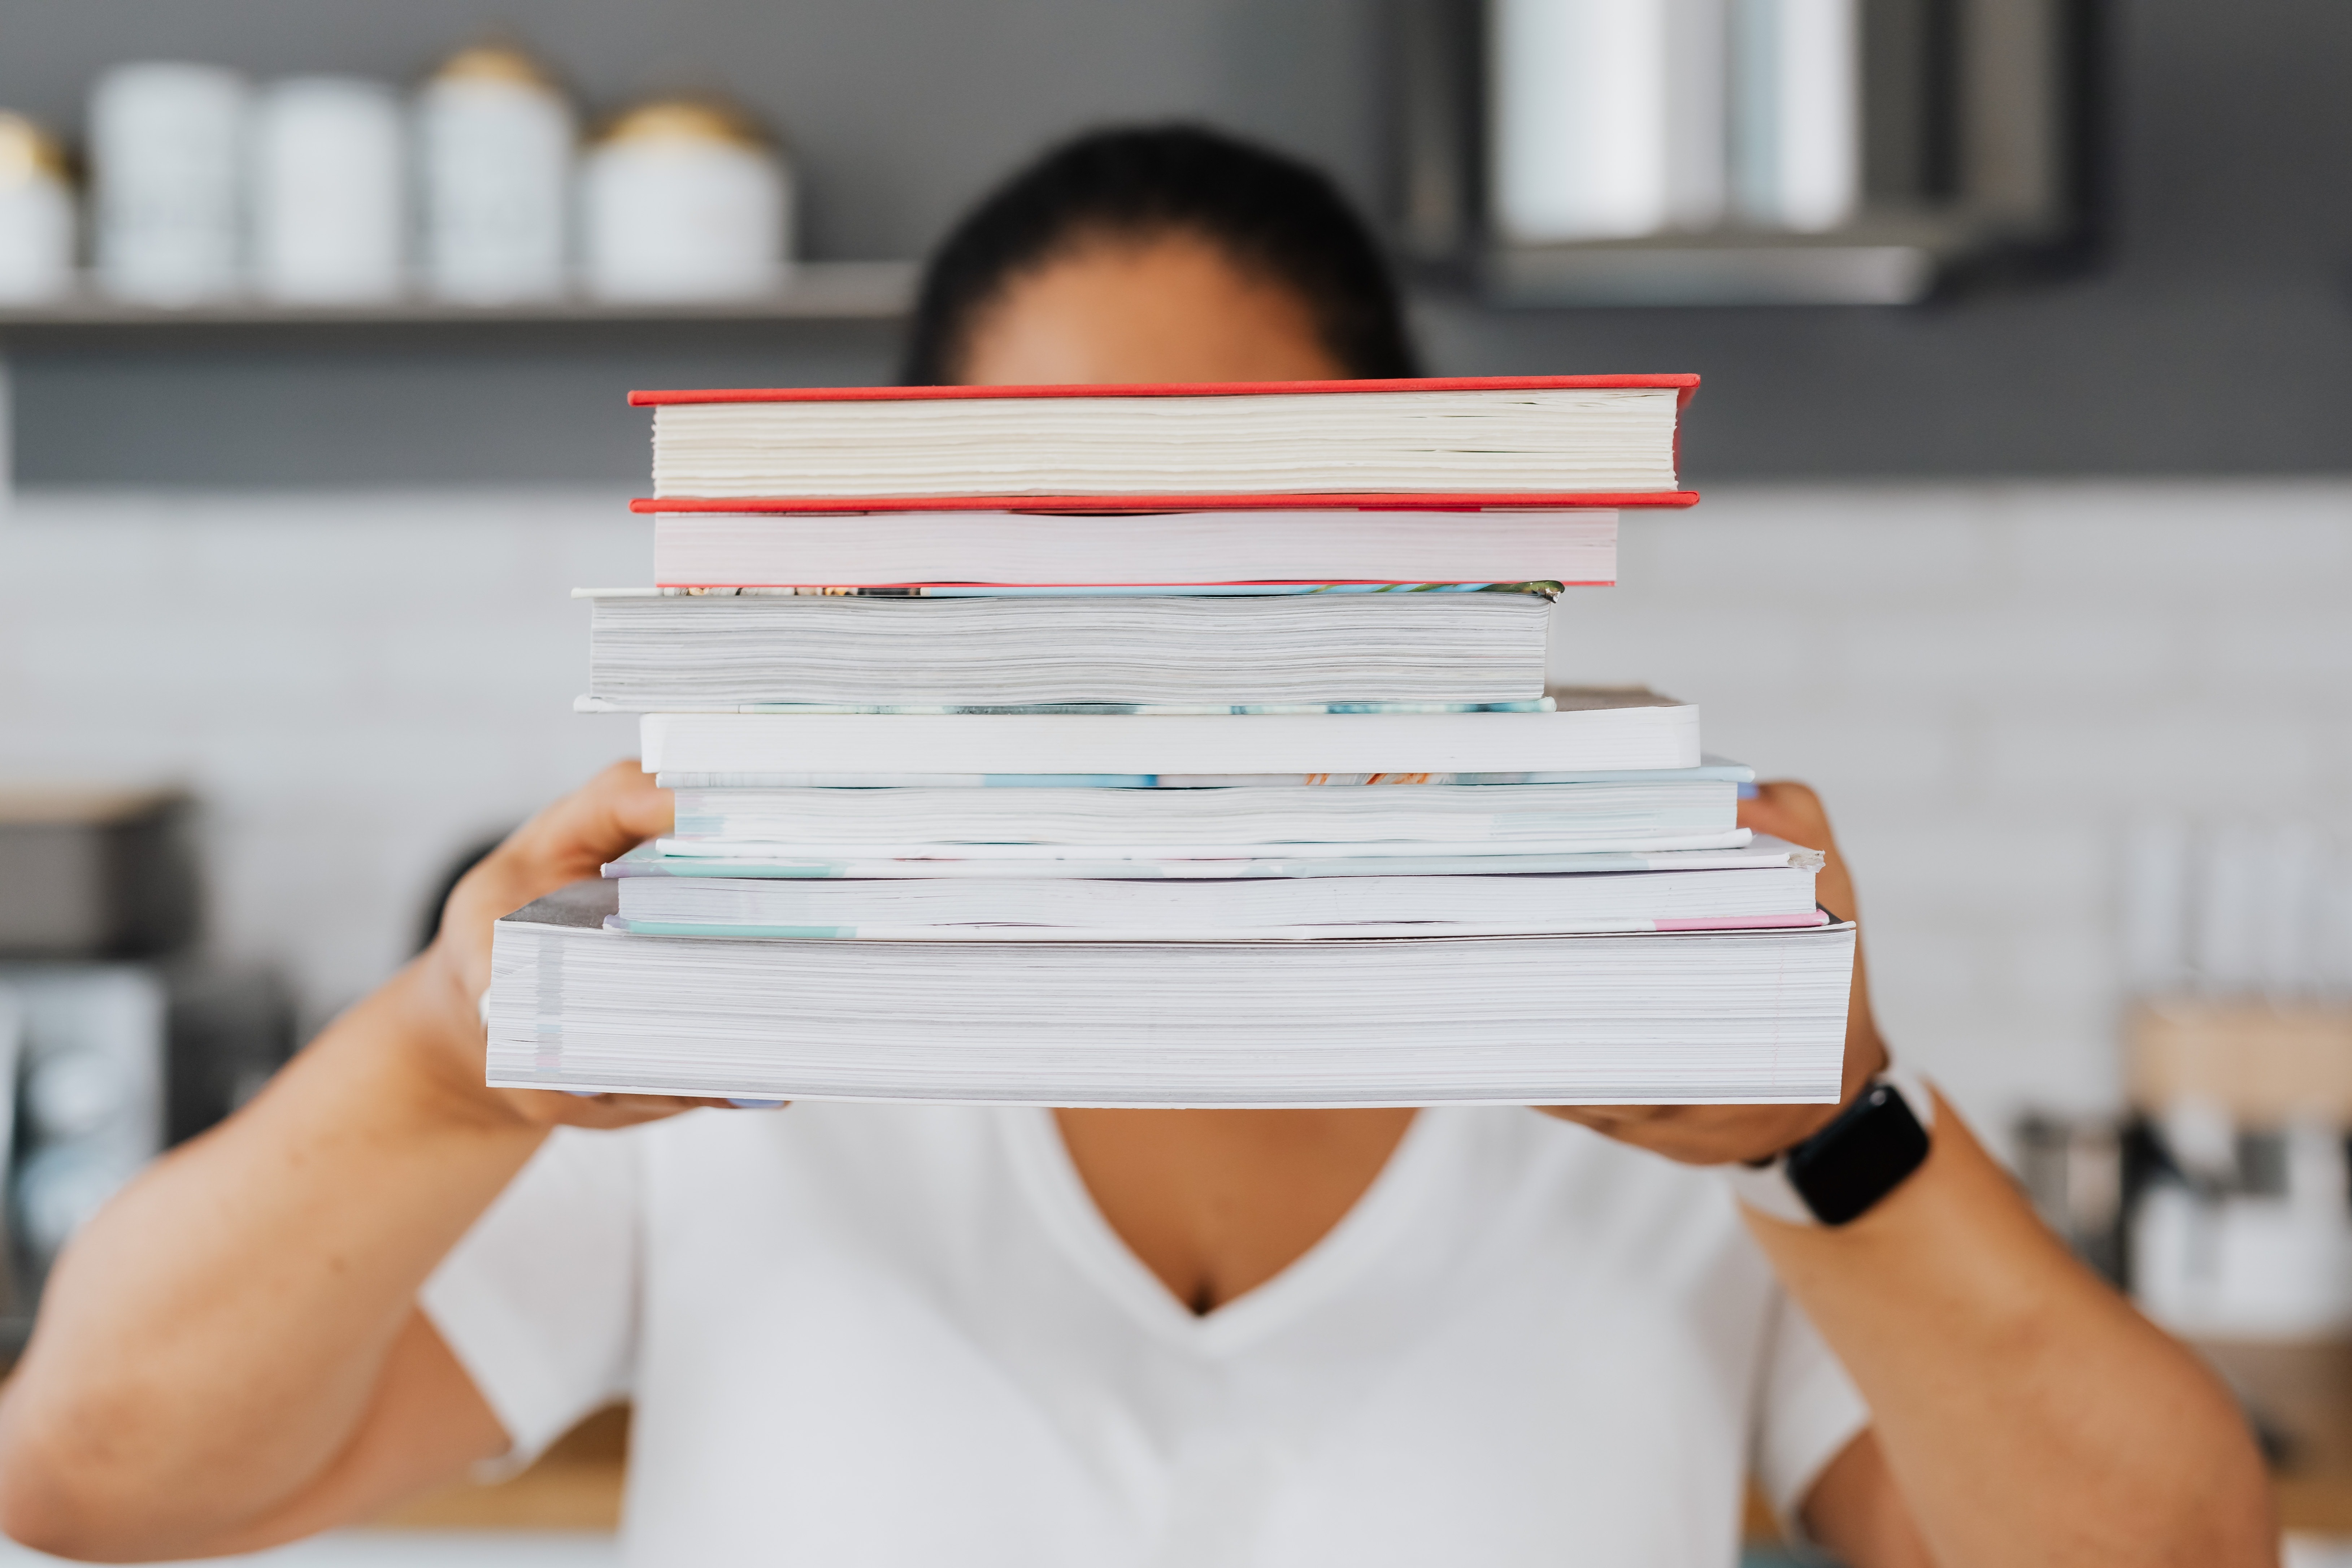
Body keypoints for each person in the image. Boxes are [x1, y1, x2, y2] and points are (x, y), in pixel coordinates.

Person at [0, 126, 2270, 1568]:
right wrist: (442, 1057)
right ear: (883, 565)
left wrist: (1834, 1135)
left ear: (1429, 544)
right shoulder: (708, 1045)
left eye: (1248, 531)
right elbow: (95, 1477)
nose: (1150, 630)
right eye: (1051, 536)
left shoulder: (1663, 1077)